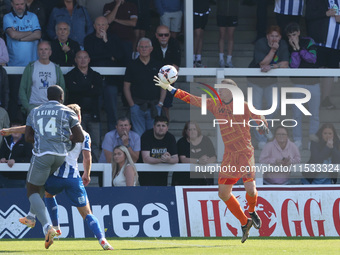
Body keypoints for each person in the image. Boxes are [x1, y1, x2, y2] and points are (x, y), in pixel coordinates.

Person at [154, 77, 269, 243]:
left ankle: (252, 211)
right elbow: (193, 99)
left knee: (250, 189)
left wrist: (261, 124)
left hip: (245, 153)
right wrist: (170, 89)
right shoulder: (215, 104)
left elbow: (259, 117)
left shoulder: (243, 105)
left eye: (222, 88)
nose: (219, 91)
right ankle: (245, 222)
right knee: (223, 193)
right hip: (229, 155)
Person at [9, 104, 113, 250]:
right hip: (73, 178)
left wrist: (10, 130)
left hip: (55, 176)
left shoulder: (57, 131)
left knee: (44, 192)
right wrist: (87, 174)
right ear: (79, 117)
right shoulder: (84, 134)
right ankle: (102, 240)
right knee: (87, 213)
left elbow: (30, 128)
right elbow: (87, 158)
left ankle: (52, 226)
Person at [25, 85, 84, 249]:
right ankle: (30, 216)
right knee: (41, 184)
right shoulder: (68, 111)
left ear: (47, 96)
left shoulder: (35, 111)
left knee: (31, 189)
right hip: (60, 156)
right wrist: (63, 139)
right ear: (61, 97)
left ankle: (47, 227)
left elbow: (28, 136)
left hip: (43, 155)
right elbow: (79, 137)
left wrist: (43, 138)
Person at [247, 25, 289, 149]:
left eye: (277, 36)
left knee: (275, 106)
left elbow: (286, 64)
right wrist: (273, 51)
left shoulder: (283, 44)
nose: (274, 39)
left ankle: (264, 127)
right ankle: (261, 140)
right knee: (255, 110)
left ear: (280, 37)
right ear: (267, 36)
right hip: (255, 81)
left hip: (271, 81)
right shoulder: (261, 43)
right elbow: (262, 63)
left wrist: (273, 67)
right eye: (272, 36)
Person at [84, 16, 125, 131]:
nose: (101, 27)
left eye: (103, 25)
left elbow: (119, 56)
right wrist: (109, 56)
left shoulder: (114, 39)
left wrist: (106, 41)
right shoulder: (88, 39)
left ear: (107, 26)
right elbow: (90, 57)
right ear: (94, 26)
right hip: (94, 82)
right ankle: (97, 140)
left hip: (111, 82)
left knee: (112, 112)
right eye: (98, 25)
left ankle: (112, 140)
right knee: (95, 113)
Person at [4, 0, 41, 122]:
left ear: (25, 4)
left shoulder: (33, 16)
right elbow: (12, 35)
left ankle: (31, 125)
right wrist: (30, 32)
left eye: (22, 4)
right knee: (14, 97)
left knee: (31, 97)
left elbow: (38, 35)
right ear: (12, 5)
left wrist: (20, 37)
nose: (19, 7)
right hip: (14, 66)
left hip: (32, 65)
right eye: (17, 4)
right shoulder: (7, 17)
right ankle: (13, 127)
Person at [285, 22, 320, 150]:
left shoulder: (309, 41)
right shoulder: (288, 45)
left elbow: (312, 59)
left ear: (299, 32)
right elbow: (294, 66)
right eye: (290, 36)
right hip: (297, 84)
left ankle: (313, 140)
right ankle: (298, 140)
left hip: (313, 83)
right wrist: (295, 50)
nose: (292, 38)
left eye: (294, 35)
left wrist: (299, 48)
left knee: (314, 114)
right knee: (296, 114)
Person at [65, 50, 102, 162]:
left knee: (94, 143)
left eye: (85, 57)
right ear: (75, 60)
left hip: (93, 114)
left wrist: (80, 87)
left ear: (89, 60)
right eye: (79, 57)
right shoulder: (70, 76)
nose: (82, 60)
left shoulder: (96, 76)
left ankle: (95, 170)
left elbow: (97, 91)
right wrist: (89, 88)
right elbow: (72, 90)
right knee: (78, 143)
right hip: (76, 117)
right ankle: (80, 169)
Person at [124, 37, 165, 136]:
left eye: (146, 47)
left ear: (151, 49)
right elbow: (126, 87)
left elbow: (164, 86)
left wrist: (160, 103)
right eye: (141, 47)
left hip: (154, 106)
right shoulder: (132, 65)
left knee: (153, 135)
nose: (144, 49)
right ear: (137, 49)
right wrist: (132, 105)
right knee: (138, 136)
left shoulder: (158, 65)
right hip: (137, 106)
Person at [305, 0, 340, 109]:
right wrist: (326, 14)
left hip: (336, 45)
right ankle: (310, 100)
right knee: (316, 71)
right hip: (319, 42)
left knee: (330, 72)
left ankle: (325, 99)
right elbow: (308, 15)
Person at [19, 41, 65, 115]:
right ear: (37, 52)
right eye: (41, 49)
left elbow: (62, 89)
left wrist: (59, 106)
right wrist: (28, 107)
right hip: (34, 107)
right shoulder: (31, 67)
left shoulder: (56, 68)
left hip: (52, 108)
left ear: (50, 52)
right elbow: (22, 89)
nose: (43, 52)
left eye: (46, 49)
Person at [151, 25, 181, 119]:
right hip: (153, 79)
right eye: (161, 35)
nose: (163, 37)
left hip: (169, 80)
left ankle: (165, 129)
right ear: (156, 35)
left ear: (170, 35)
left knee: (166, 106)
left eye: (166, 35)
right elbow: (151, 63)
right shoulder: (151, 43)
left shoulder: (174, 43)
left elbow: (176, 65)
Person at [174, 121, 216, 186]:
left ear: (198, 130)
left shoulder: (206, 140)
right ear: (186, 131)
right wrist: (198, 161)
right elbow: (183, 159)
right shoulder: (181, 142)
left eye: (194, 129)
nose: (193, 132)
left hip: (203, 178)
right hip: (185, 178)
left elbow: (214, 157)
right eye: (190, 129)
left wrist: (205, 161)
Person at [140, 115, 178, 186]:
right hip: (147, 173)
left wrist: (169, 159)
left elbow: (176, 159)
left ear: (167, 128)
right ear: (154, 127)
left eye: (163, 126)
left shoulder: (170, 137)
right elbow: (145, 159)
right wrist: (162, 160)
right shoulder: (146, 136)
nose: (161, 128)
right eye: (158, 125)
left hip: (162, 173)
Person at [0, 121, 32, 188]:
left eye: (18, 130)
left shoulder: (27, 142)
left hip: (19, 178)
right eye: (13, 129)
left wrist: (15, 161)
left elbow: (29, 158)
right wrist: (2, 158)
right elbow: (2, 152)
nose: (16, 132)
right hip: (4, 177)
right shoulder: (6, 140)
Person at [216, 0, 238, 68]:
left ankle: (229, 60)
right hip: (221, 12)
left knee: (231, 36)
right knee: (222, 35)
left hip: (233, 12)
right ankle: (221, 59)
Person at [193, 0, 210, 67]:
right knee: (197, 33)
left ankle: (198, 59)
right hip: (195, 10)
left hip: (205, 10)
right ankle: (193, 58)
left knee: (201, 35)